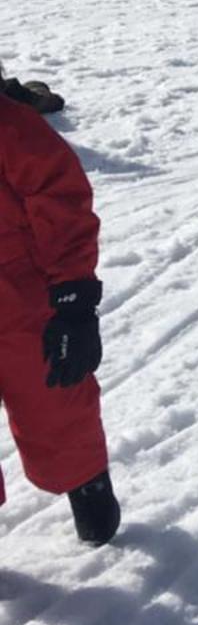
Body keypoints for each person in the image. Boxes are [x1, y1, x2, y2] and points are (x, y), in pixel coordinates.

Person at [0, 93, 120, 545]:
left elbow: (61, 201)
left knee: (53, 398)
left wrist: (73, 299)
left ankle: (86, 481)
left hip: (22, 295)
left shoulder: (11, 127)